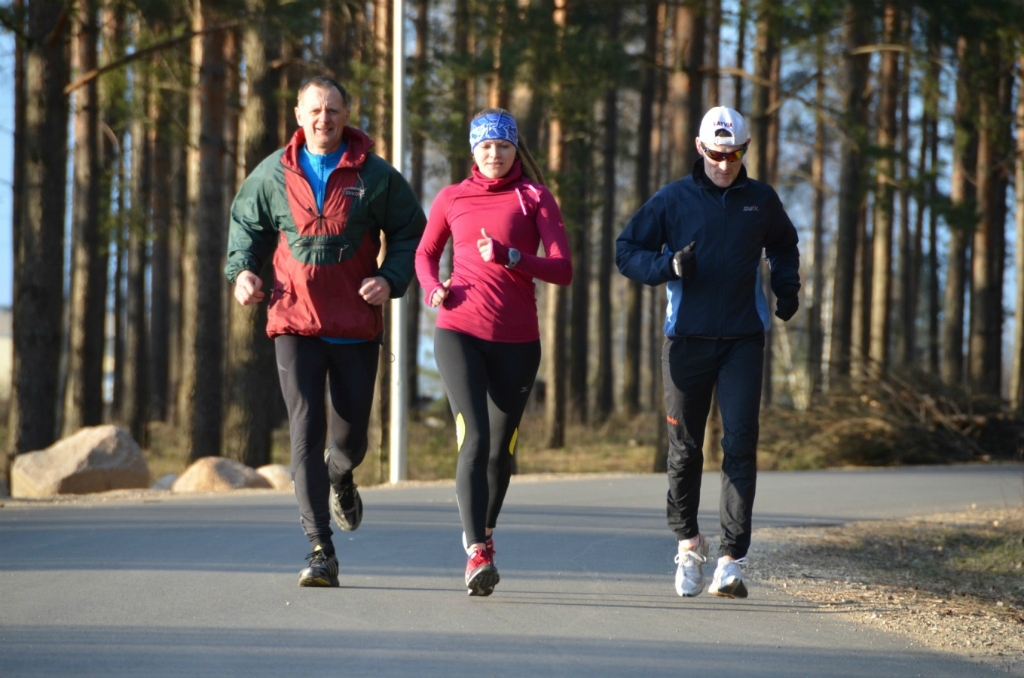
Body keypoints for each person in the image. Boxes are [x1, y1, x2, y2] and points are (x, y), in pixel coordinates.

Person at [225, 75, 426, 587]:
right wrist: (244, 272)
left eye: (333, 110)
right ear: (298, 114)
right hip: (294, 319)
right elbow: (246, 227)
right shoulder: (273, 173)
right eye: (315, 110)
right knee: (305, 426)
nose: (324, 119)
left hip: (355, 324)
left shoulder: (375, 175)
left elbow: (410, 231)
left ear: (346, 114)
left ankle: (342, 475)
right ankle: (320, 549)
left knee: (350, 437)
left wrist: (389, 277)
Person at [615, 106, 800, 599]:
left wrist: (786, 286)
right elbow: (626, 251)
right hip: (686, 340)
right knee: (685, 449)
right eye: (716, 154)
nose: (724, 163)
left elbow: (784, 244)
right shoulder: (673, 200)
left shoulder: (760, 201)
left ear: (745, 151)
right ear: (700, 148)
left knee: (739, 444)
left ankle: (731, 560)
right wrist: (668, 266)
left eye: (734, 154)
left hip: (743, 339)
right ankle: (689, 544)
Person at [415, 109, 572, 596]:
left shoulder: (535, 198)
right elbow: (424, 253)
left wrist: (511, 257)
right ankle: (476, 549)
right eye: (485, 146)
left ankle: (485, 533)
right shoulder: (451, 197)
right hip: (459, 330)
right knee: (476, 438)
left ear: (515, 149)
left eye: (503, 146)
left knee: (502, 452)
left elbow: (563, 268)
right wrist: (432, 288)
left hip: (519, 341)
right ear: (473, 150)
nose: (494, 154)